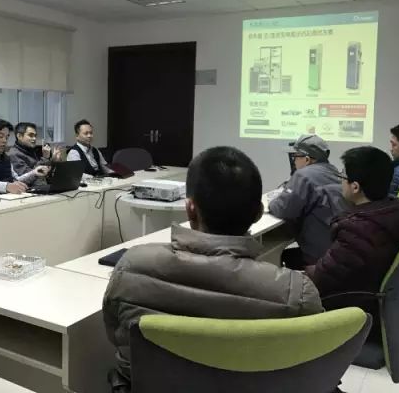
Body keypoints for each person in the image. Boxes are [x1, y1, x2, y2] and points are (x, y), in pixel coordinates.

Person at [103, 146, 323, 392]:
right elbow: (309, 360)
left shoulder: (132, 268)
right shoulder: (297, 293)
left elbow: (115, 335)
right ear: (258, 213)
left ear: (190, 208)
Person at [306, 146, 399, 340]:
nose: (341, 181)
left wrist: (295, 275)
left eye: (342, 176)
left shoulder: (358, 229)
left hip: (351, 310)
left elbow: (321, 280)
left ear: (355, 187)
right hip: (371, 296)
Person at [268, 134, 347, 270]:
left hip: (318, 256)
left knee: (284, 255)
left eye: (295, 157)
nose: (294, 161)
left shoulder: (303, 175)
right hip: (336, 250)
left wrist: (272, 202)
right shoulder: (333, 171)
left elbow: (282, 209)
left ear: (307, 159)